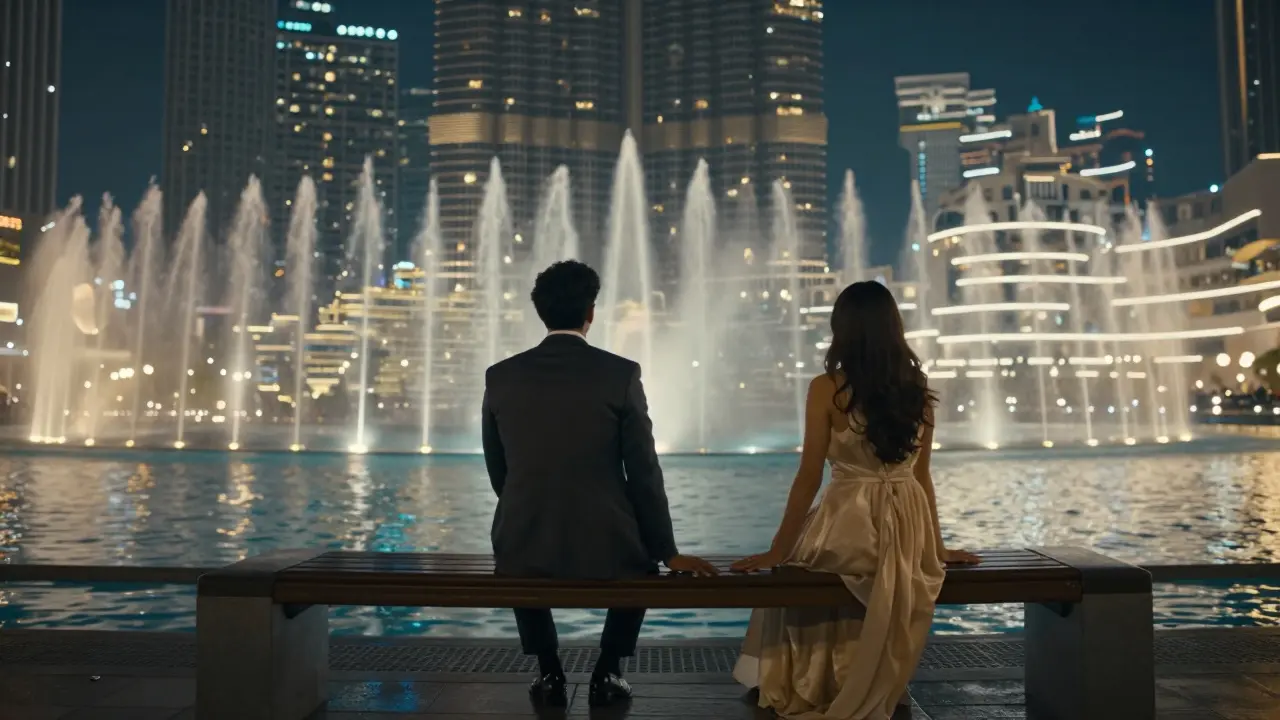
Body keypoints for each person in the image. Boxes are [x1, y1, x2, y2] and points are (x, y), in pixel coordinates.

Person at [730, 280, 980, 719]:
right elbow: (922, 478)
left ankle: (822, 679)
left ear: (842, 329)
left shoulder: (826, 388)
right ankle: (861, 673)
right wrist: (935, 550)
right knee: (843, 571)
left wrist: (777, 549)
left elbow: (809, 478)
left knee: (798, 566)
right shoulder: (917, 390)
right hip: (907, 527)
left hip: (851, 519)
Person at [482, 259, 718, 709]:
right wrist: (668, 551)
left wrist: (529, 505)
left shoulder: (501, 375)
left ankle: (549, 672)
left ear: (541, 313)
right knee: (644, 564)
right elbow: (644, 472)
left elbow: (500, 470)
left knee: (518, 551)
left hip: (523, 542)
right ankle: (608, 669)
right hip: (608, 544)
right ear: (591, 312)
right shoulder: (620, 374)